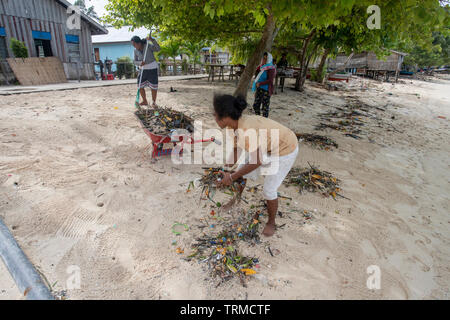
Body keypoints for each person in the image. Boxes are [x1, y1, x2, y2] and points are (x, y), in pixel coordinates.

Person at [214, 94, 299, 237]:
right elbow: (236, 149)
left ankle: (271, 222)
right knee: (242, 169)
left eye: (216, 114)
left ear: (226, 116)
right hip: (266, 146)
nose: (214, 117)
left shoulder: (247, 130)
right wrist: (225, 170)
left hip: (285, 148)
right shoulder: (232, 127)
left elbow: (256, 161)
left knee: (269, 189)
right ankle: (237, 199)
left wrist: (232, 176)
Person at [132, 33, 160, 107]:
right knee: (140, 86)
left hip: (152, 68)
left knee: (153, 86)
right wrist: (140, 63)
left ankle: (154, 102)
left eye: (134, 44)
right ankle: (144, 101)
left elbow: (158, 49)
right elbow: (134, 61)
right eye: (133, 45)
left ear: (139, 43)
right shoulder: (135, 51)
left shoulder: (148, 45)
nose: (134, 46)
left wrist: (152, 40)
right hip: (142, 70)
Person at [252, 52, 276, 118]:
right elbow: (257, 77)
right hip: (259, 89)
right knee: (256, 105)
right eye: (263, 58)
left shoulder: (271, 68)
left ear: (269, 59)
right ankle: (258, 119)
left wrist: (260, 83)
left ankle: (264, 122)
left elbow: (270, 80)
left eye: (266, 59)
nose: (264, 60)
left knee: (265, 108)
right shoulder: (261, 67)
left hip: (266, 90)